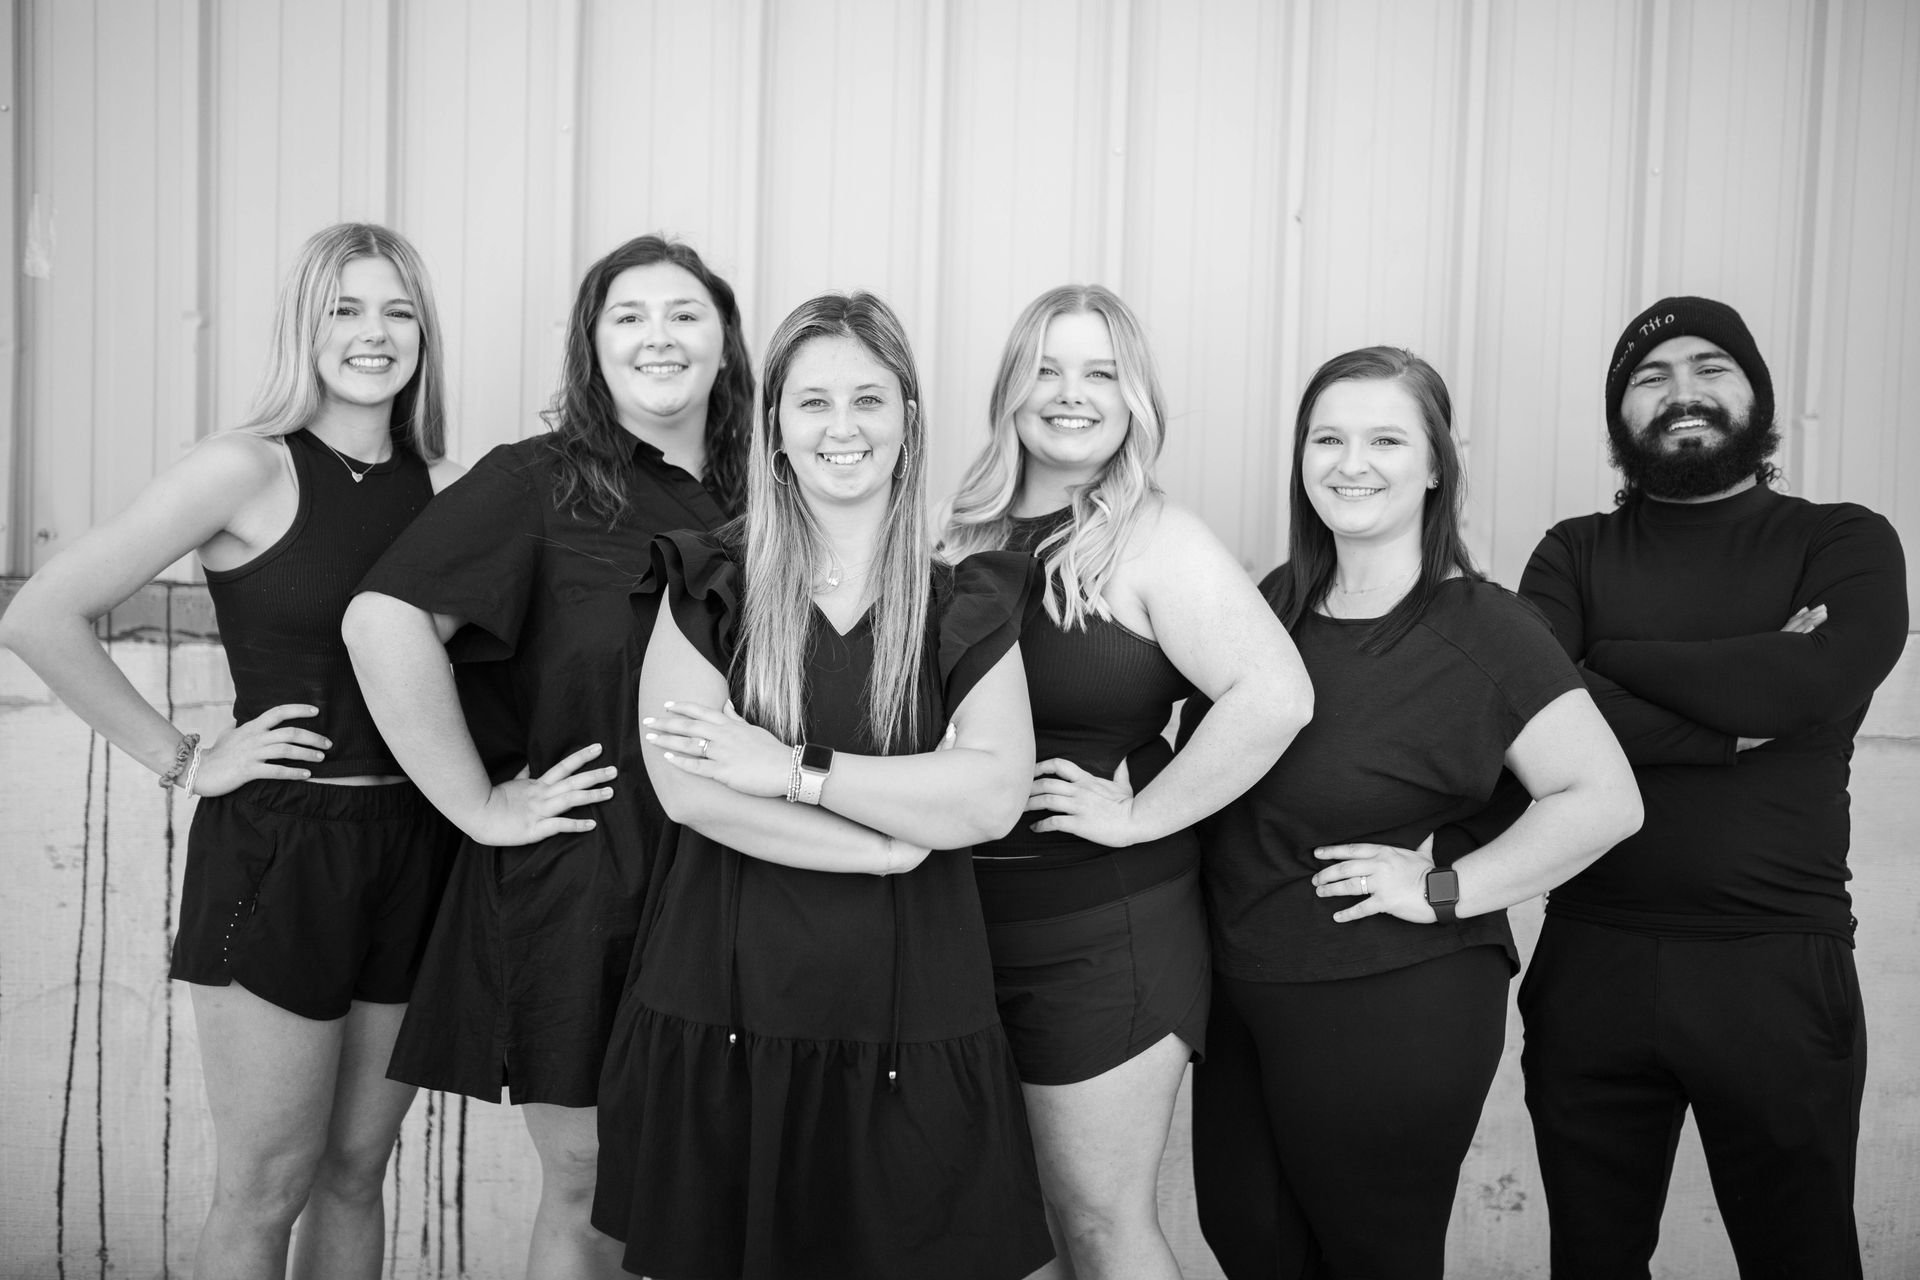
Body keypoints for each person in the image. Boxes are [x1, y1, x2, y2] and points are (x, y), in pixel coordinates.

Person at [0, 223, 462, 1279]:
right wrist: (185, 757)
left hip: (414, 846)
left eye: (397, 309)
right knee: (265, 1185)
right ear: (306, 326)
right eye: (345, 308)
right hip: (281, 849)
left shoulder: (450, 483)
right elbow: (41, 614)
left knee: (356, 1169)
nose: (373, 332)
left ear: (424, 332)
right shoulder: (244, 467)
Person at [591, 291, 1055, 1280]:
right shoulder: (709, 580)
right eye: (812, 403)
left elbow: (988, 794)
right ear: (775, 428)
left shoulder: (965, 597)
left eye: (868, 400)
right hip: (725, 1003)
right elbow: (694, 792)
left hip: (908, 1016)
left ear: (908, 420)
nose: (841, 427)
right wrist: (884, 842)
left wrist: (792, 772)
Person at [1183, 346, 1642, 1280]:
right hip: (1243, 993)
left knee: (1372, 1260)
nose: (1352, 463)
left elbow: (1606, 798)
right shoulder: (1273, 605)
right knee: (1252, 1247)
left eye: (1386, 439)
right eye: (1329, 438)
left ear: (1435, 464)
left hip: (1389, 999)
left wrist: (1445, 886)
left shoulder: (1483, 627)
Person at [341, 235, 752, 1277]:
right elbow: (382, 624)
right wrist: (480, 805)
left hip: (749, 873)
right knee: (595, 1189)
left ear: (724, 341)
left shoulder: (777, 487)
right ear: (592, 343)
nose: (658, 336)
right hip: (589, 883)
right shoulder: (538, 482)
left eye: (683, 314)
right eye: (629, 316)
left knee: (729, 1179)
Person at [1515, 297, 1908, 1278]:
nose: (1682, 391)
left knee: (1803, 1258)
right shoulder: (1573, 552)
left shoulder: (1845, 540)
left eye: (1709, 366)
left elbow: (1813, 685)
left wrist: (1607, 661)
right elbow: (1526, 716)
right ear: (1619, 414)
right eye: (1652, 375)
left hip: (1774, 960)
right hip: (1592, 956)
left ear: (1757, 395)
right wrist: (1742, 703)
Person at [936, 284, 1312, 1279]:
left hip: (1101, 936)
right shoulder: (950, 534)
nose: (1071, 393)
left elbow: (1275, 695)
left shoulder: (1152, 537)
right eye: (1048, 368)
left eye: (1100, 371)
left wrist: (1144, 812)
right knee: (1002, 1233)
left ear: (1133, 397)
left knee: (1098, 1221)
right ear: (1010, 387)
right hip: (954, 927)